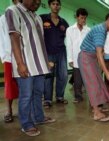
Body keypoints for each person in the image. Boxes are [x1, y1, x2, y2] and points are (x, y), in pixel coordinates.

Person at [5, 0, 56, 136]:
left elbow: (40, 43)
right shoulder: (13, 11)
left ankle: (38, 118)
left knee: (38, 93)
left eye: (39, 0)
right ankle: (26, 124)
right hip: (25, 64)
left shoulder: (37, 17)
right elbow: (14, 38)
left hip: (39, 64)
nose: (37, 2)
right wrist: (20, 63)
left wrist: (46, 62)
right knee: (26, 95)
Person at [78, 11, 109, 122]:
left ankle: (97, 106)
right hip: (86, 58)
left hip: (91, 57)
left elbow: (100, 52)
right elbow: (99, 53)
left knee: (98, 81)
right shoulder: (100, 30)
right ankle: (96, 113)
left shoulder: (103, 30)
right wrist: (106, 71)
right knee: (93, 83)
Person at [40, 0, 69, 108]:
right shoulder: (42, 19)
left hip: (61, 52)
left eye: (57, 4)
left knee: (63, 75)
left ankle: (60, 96)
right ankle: (47, 99)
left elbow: (68, 37)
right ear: (49, 5)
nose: (56, 6)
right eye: (53, 4)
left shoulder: (64, 22)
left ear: (60, 6)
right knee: (48, 76)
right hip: (48, 52)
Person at [0, 0, 20, 123]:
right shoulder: (4, 18)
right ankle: (9, 110)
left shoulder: (26, 16)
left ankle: (25, 110)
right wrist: (4, 56)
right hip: (10, 56)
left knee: (25, 84)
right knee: (9, 83)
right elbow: (1, 38)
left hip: (24, 56)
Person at [66, 8, 90, 103]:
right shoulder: (70, 30)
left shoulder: (88, 30)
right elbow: (69, 45)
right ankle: (78, 97)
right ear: (77, 17)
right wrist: (70, 59)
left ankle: (92, 97)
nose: (83, 20)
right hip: (76, 58)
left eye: (85, 18)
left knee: (88, 79)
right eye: (81, 18)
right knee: (77, 79)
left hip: (86, 58)